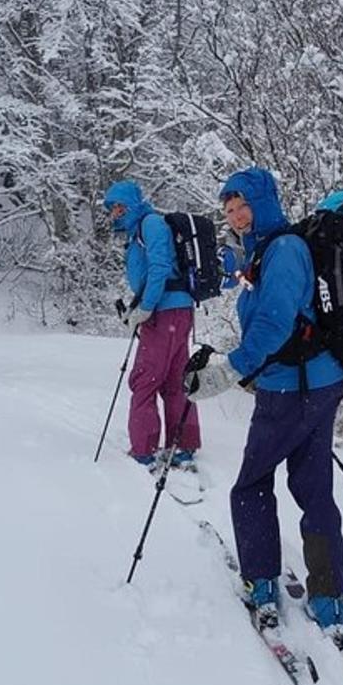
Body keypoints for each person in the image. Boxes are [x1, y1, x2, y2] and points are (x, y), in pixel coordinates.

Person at [185, 166, 343, 640]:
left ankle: (261, 582)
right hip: (319, 381)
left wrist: (230, 370)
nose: (236, 216)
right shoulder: (272, 250)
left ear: (264, 202)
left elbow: (274, 325)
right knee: (313, 485)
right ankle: (328, 595)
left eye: (242, 206)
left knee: (253, 483)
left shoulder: (283, 251)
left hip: (290, 389)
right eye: (229, 210)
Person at [102, 179, 201, 468]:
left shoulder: (151, 225)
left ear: (132, 204)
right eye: (112, 208)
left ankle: (143, 448)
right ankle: (183, 443)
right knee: (174, 378)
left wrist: (145, 308)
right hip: (175, 311)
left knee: (145, 379)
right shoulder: (140, 231)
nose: (115, 213)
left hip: (164, 313)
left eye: (119, 206)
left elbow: (159, 268)